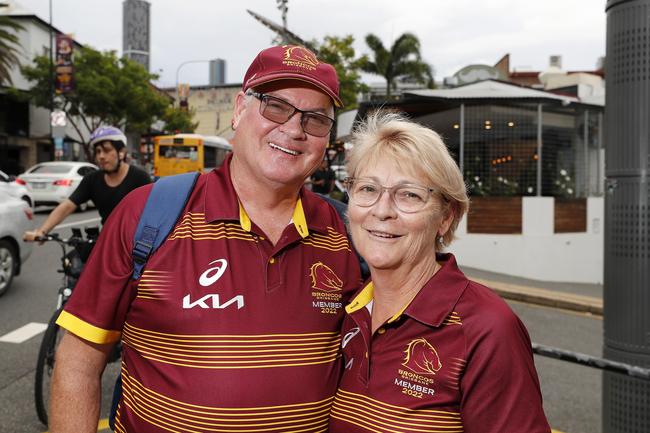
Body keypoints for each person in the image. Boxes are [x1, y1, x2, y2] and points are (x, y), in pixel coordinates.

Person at [49, 45, 361, 433]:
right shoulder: (148, 214)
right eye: (276, 107)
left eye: (315, 119)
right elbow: (79, 356)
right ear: (238, 110)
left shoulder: (344, 229)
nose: (295, 129)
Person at [328, 112, 551, 433]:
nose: (382, 210)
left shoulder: (486, 328)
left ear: (446, 217)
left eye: (409, 194)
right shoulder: (349, 311)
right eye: (367, 189)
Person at [23, 126, 151, 241]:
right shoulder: (92, 180)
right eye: (98, 151)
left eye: (106, 150)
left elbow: (155, 213)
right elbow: (67, 206)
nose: (101, 156)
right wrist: (42, 231)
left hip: (137, 243)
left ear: (121, 153)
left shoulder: (140, 178)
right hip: (107, 241)